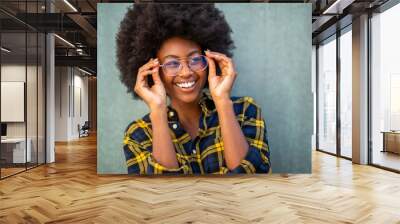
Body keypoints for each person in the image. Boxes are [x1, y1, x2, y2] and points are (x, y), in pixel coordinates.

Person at [116, 3, 270, 174]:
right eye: (172, 63)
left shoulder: (245, 110)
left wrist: (222, 101)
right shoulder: (138, 135)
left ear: (210, 59)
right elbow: (159, 195)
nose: (186, 72)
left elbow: (252, 181)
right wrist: (158, 112)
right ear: (153, 70)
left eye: (195, 60)